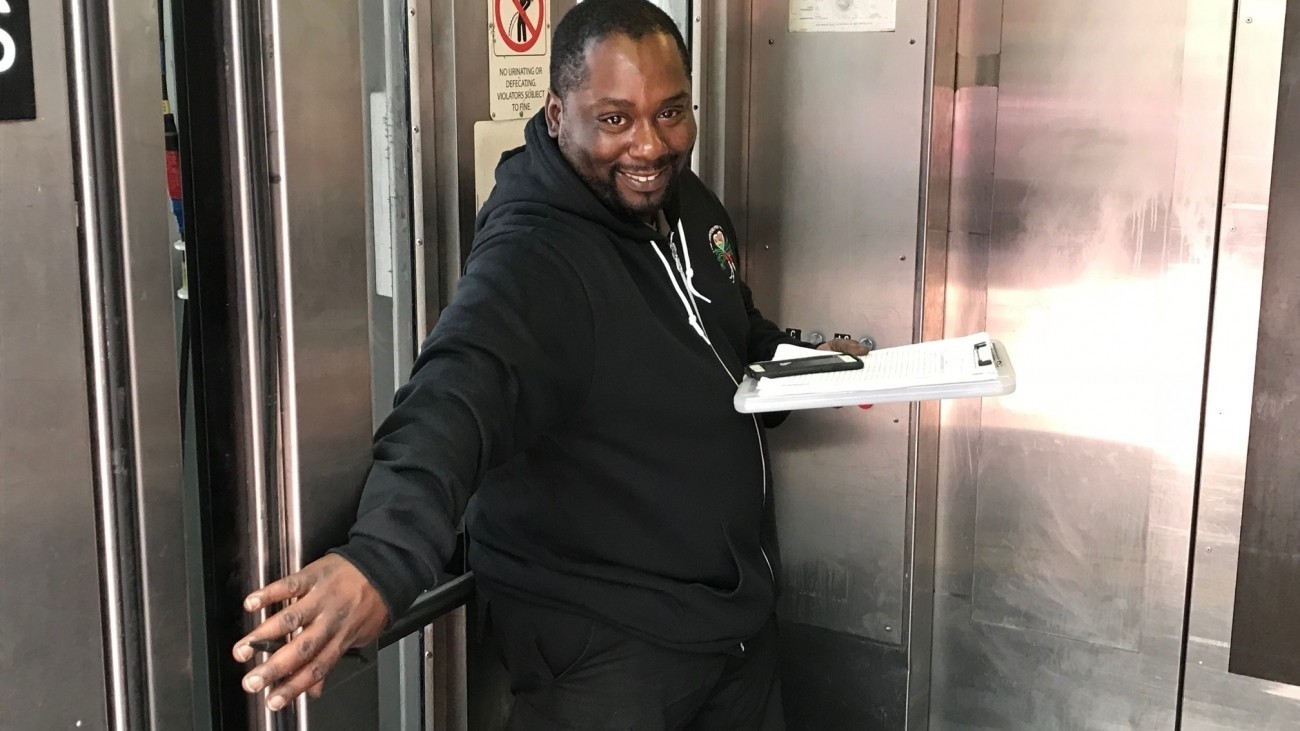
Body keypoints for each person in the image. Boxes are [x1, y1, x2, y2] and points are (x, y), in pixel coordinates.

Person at [231, 0, 870, 727]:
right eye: (614, 118)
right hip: (610, 650)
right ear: (558, 112)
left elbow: (724, 335)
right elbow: (457, 392)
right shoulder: (535, 255)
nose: (650, 145)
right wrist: (384, 555)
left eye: (670, 112)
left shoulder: (686, 203)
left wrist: (799, 358)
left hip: (731, 626)